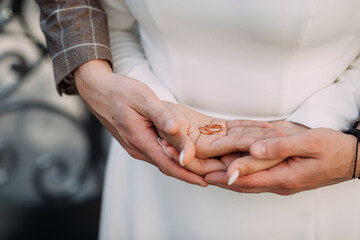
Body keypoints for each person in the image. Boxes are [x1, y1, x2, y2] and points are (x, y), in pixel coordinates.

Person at [35, 0, 360, 239]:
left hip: (323, 163)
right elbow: (114, 21)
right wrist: (154, 105)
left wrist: (326, 125)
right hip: (150, 154)